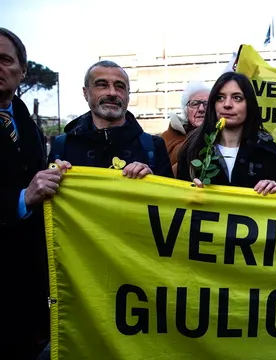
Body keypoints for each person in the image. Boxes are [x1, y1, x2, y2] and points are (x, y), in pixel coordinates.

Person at [0, 27, 70, 358]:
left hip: (25, 282)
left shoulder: (25, 121)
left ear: (22, 71)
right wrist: (21, 199)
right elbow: (26, 191)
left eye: (4, 60)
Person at [49, 60, 172, 178]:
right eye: (102, 85)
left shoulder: (154, 147)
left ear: (128, 95)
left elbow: (169, 197)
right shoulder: (62, 146)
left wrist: (153, 181)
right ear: (85, 93)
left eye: (120, 86)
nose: (112, 93)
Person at [177, 72, 276, 193]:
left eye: (237, 98)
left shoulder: (266, 149)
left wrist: (275, 189)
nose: (227, 105)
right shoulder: (192, 148)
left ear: (249, 104)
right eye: (220, 98)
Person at [161, 81, 210, 175]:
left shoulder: (223, 134)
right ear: (185, 111)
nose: (201, 109)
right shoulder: (167, 137)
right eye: (194, 104)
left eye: (207, 104)